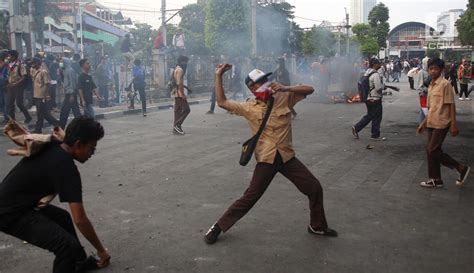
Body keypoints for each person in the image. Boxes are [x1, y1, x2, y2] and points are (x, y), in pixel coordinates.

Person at [204, 64, 337, 245]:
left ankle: (317, 225)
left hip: (287, 157)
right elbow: (222, 102)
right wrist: (218, 74)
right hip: (267, 159)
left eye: (265, 80)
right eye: (259, 83)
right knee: (250, 197)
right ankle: (218, 227)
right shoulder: (249, 107)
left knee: (314, 187)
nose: (265, 84)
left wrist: (286, 87)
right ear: (252, 88)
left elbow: (310, 89)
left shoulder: (283, 97)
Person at [0, 117, 111, 273]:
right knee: (66, 247)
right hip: (10, 213)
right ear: (78, 144)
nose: (92, 153)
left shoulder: (56, 146)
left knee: (63, 218)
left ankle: (79, 263)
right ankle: (73, 260)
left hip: (18, 203)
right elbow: (80, 219)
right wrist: (101, 250)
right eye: (91, 148)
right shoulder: (65, 167)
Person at [416, 58, 470, 188]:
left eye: (436, 69)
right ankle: (435, 179)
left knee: (433, 149)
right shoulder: (430, 85)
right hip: (431, 122)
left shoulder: (445, 84)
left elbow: (451, 105)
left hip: (442, 122)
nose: (433, 71)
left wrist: (454, 124)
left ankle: (461, 168)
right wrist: (423, 123)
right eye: (431, 69)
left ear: (441, 70)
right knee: (430, 151)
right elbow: (431, 108)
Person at [352, 58, 386, 141]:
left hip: (368, 98)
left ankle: (356, 128)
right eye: (378, 63)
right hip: (375, 99)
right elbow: (378, 88)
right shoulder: (375, 74)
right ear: (374, 64)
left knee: (370, 115)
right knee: (377, 117)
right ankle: (375, 135)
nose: (380, 65)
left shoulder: (367, 72)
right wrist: (383, 87)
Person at [30, 57, 60, 133]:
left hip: (42, 96)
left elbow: (47, 84)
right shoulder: (33, 70)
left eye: (33, 63)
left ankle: (38, 129)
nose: (32, 64)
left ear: (38, 63)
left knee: (41, 114)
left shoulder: (43, 72)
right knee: (44, 114)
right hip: (36, 95)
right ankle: (56, 123)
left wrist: (46, 95)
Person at [5, 50, 32, 123]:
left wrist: (16, 84)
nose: (8, 57)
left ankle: (28, 117)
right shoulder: (9, 64)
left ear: (14, 56)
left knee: (19, 103)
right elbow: (8, 74)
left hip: (18, 86)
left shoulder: (21, 64)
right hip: (11, 86)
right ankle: (12, 121)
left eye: (9, 56)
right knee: (10, 104)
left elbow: (24, 77)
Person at [59, 58, 81, 129]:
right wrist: (60, 71)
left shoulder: (70, 70)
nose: (61, 64)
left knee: (65, 111)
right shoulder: (64, 70)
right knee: (75, 111)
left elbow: (72, 83)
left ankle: (61, 127)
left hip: (70, 93)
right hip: (68, 93)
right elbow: (63, 80)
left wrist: (72, 94)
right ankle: (82, 126)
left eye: (62, 62)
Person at [171, 55, 190, 135]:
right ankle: (177, 125)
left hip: (176, 93)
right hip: (179, 94)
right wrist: (182, 94)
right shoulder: (180, 70)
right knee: (186, 109)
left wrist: (186, 88)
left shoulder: (176, 69)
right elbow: (179, 83)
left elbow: (176, 82)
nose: (186, 63)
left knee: (177, 111)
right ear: (181, 61)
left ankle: (176, 128)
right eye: (185, 62)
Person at [0, 51, 8, 123]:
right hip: (1, 84)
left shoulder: (7, 65)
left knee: (6, 102)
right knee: (2, 102)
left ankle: (7, 117)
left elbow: (7, 76)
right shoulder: (5, 64)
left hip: (5, 85)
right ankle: (6, 117)